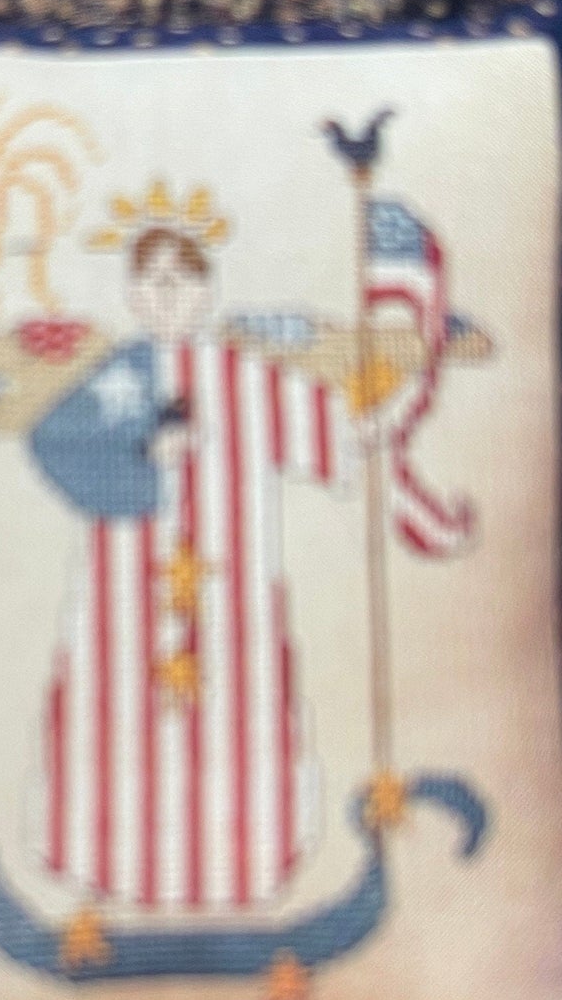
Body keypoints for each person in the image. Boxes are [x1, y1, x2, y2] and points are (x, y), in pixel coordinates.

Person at [27, 221, 353, 916]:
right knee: (117, 720)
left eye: (179, 280)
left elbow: (338, 434)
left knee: (237, 718)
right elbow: (50, 440)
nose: (164, 296)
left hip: (233, 596)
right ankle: (106, 865)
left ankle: (241, 869)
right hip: (124, 596)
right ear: (132, 292)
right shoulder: (119, 375)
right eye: (149, 282)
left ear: (206, 287)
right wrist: (142, 464)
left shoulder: (247, 379)